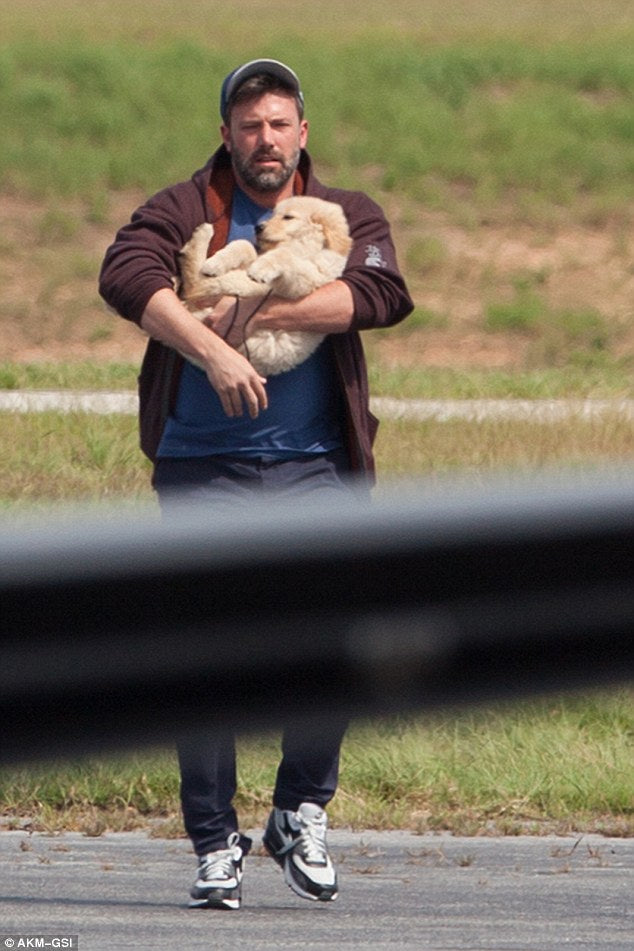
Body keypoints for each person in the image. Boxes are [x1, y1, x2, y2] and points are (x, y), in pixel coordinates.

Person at [99, 58, 414, 910]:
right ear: (228, 135)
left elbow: (381, 292)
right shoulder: (184, 208)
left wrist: (253, 309)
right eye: (249, 126)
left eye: (279, 124)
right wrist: (209, 346)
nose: (264, 139)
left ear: (302, 132)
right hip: (206, 465)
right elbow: (125, 276)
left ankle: (298, 810)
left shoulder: (344, 213)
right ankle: (213, 843)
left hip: (318, 466)